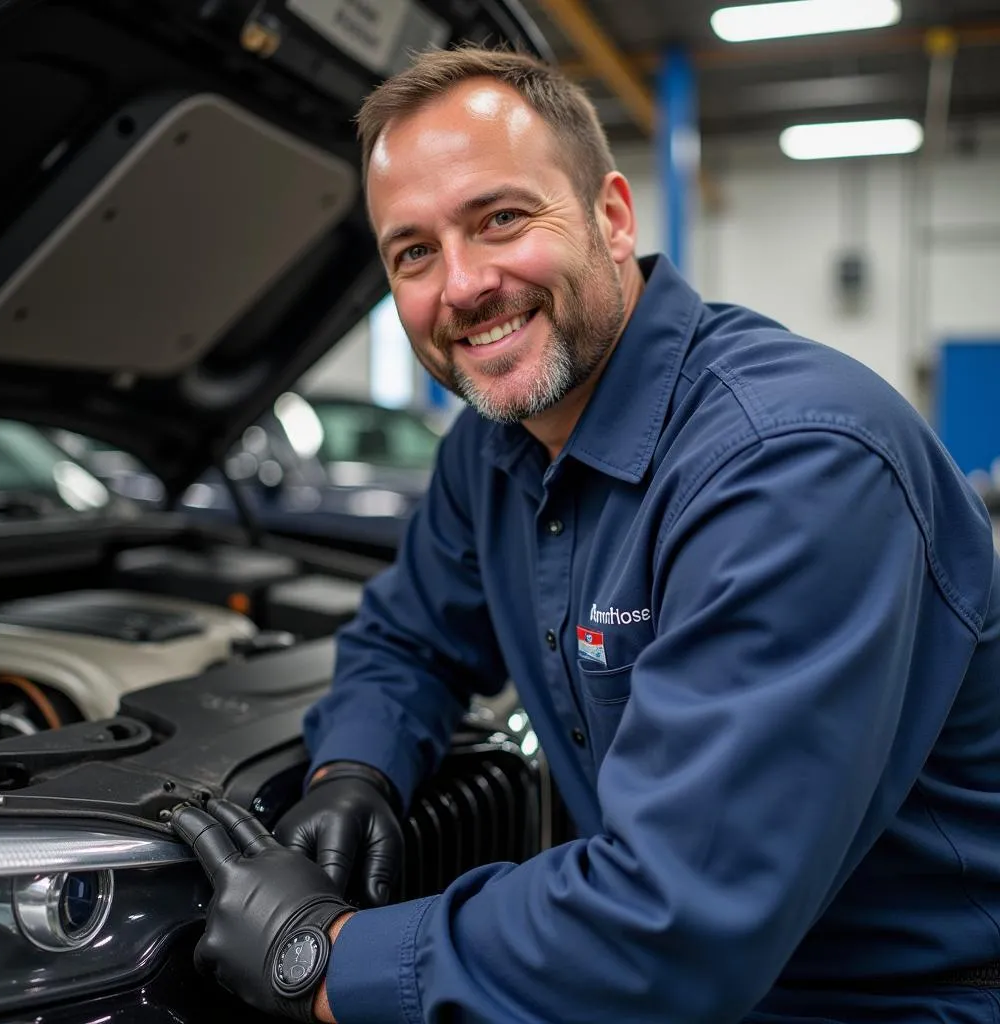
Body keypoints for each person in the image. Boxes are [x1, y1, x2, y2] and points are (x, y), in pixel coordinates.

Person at [171, 45, 1000, 1024]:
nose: (464, 283)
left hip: (887, 1000)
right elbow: (408, 639)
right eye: (414, 252)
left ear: (612, 216)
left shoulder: (790, 468)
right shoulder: (492, 450)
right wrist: (355, 769)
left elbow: (672, 927)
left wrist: (328, 959)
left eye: (501, 219)